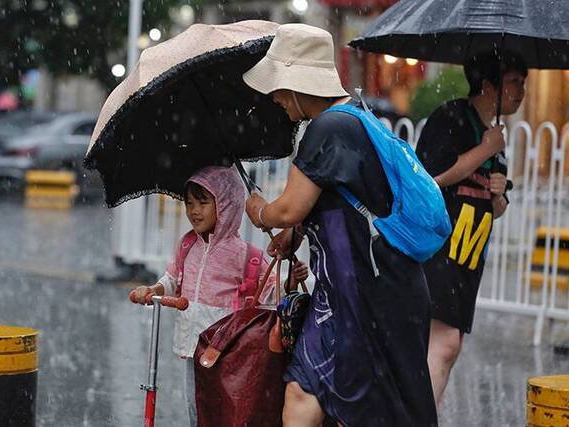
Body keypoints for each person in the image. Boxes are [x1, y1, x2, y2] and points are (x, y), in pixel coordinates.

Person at [243, 23, 437, 427]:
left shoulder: (329, 127)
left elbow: (289, 208)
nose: (276, 98)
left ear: (297, 81)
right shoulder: (353, 119)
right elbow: (340, 205)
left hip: (371, 295)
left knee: (376, 412)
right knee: (303, 391)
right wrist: (295, 235)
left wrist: (260, 211)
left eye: (278, 86)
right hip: (353, 294)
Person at [129, 165, 307, 426]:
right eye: (189, 203)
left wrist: (290, 280)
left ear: (226, 205)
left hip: (229, 347)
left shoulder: (245, 255)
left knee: (226, 405)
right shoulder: (187, 245)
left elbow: (269, 291)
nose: (194, 211)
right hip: (193, 344)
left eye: (203, 203)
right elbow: (173, 280)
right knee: (196, 406)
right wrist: (154, 290)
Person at [415, 51, 527, 408]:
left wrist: (498, 195)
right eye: (514, 82)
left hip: (468, 257)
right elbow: (432, 178)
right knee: (444, 346)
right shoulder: (452, 118)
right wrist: (484, 150)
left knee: (443, 347)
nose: (521, 91)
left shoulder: (495, 135)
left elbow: (496, 207)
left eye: (523, 83)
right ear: (489, 85)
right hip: (439, 249)